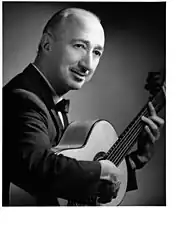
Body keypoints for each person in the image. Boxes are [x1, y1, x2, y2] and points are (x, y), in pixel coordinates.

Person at [3, 8, 164, 206]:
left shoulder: (47, 100)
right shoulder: (23, 98)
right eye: (79, 46)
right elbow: (38, 168)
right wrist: (101, 171)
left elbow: (62, 189)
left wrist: (136, 159)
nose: (88, 64)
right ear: (47, 44)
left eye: (96, 52)